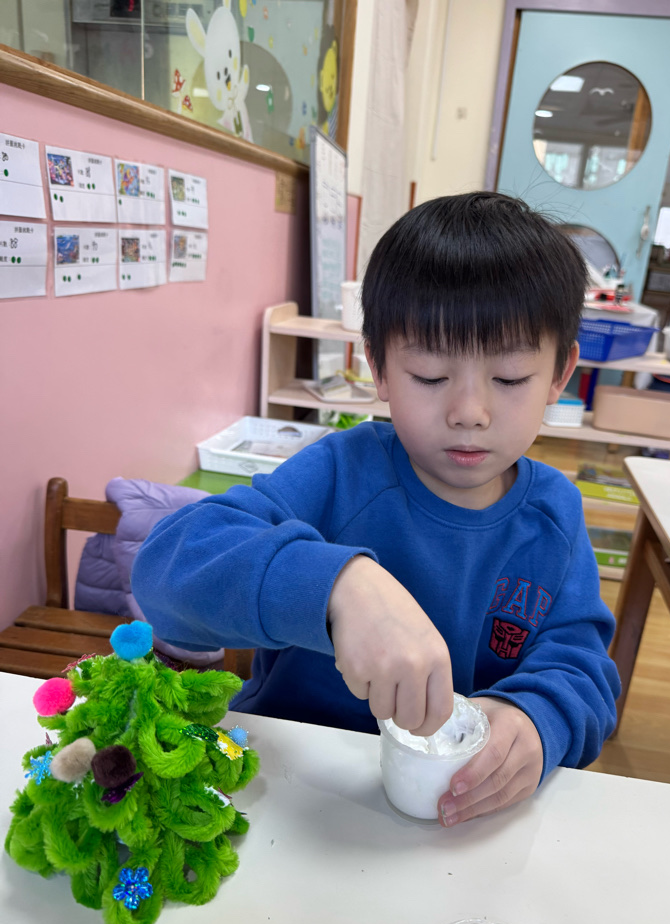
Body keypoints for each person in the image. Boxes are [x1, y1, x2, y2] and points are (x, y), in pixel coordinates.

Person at [132, 192, 620, 828]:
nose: (469, 412)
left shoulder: (554, 515)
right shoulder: (342, 471)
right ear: (379, 368)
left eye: (509, 379)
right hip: (291, 796)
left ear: (559, 374)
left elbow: (584, 667)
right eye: (429, 376)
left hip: (451, 816)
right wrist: (339, 587)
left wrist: (539, 717)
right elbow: (167, 567)